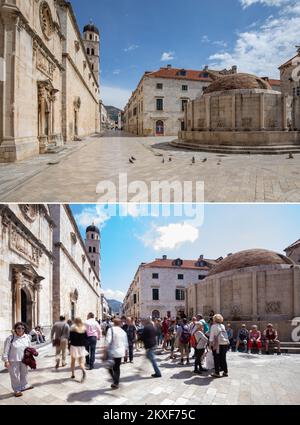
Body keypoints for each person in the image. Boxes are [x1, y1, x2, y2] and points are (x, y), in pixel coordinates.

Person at [2, 322, 34, 397]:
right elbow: (5, 351)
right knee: (15, 375)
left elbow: (29, 348)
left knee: (24, 373)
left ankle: (24, 385)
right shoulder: (10, 338)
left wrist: (30, 356)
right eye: (18, 328)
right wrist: (6, 361)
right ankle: (17, 389)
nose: (20, 329)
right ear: (15, 329)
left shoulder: (27, 337)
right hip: (13, 360)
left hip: (24, 359)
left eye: (22, 328)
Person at [104, 318, 128, 389]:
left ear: (113, 323)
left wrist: (104, 351)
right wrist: (126, 354)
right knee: (117, 367)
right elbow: (126, 344)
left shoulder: (110, 329)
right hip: (120, 352)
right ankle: (116, 382)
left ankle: (115, 380)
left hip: (112, 352)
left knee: (109, 367)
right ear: (120, 323)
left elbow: (107, 341)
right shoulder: (123, 332)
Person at [209, 314, 230, 378]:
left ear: (214, 319)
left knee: (216, 358)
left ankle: (217, 373)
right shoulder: (222, 325)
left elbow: (211, 337)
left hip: (217, 345)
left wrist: (210, 345)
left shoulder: (213, 326)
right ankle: (225, 372)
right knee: (223, 358)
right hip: (225, 343)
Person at [69, 318, 88, 382]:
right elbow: (86, 338)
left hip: (74, 346)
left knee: (73, 361)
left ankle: (73, 374)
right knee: (81, 362)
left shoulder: (72, 328)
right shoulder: (84, 328)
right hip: (81, 347)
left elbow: (70, 338)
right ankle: (83, 370)